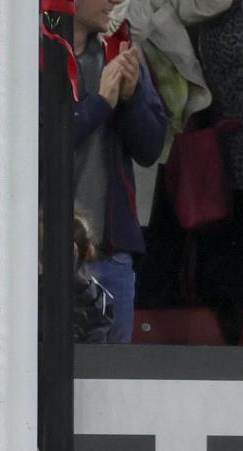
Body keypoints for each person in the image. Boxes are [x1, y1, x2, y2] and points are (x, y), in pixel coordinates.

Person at [73, 0, 169, 343]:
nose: (116, 1)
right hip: (42, 259)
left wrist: (131, 98)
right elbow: (41, 145)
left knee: (110, 384)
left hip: (111, 257)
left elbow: (150, 148)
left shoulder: (120, 53)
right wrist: (100, 102)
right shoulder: (26, 59)